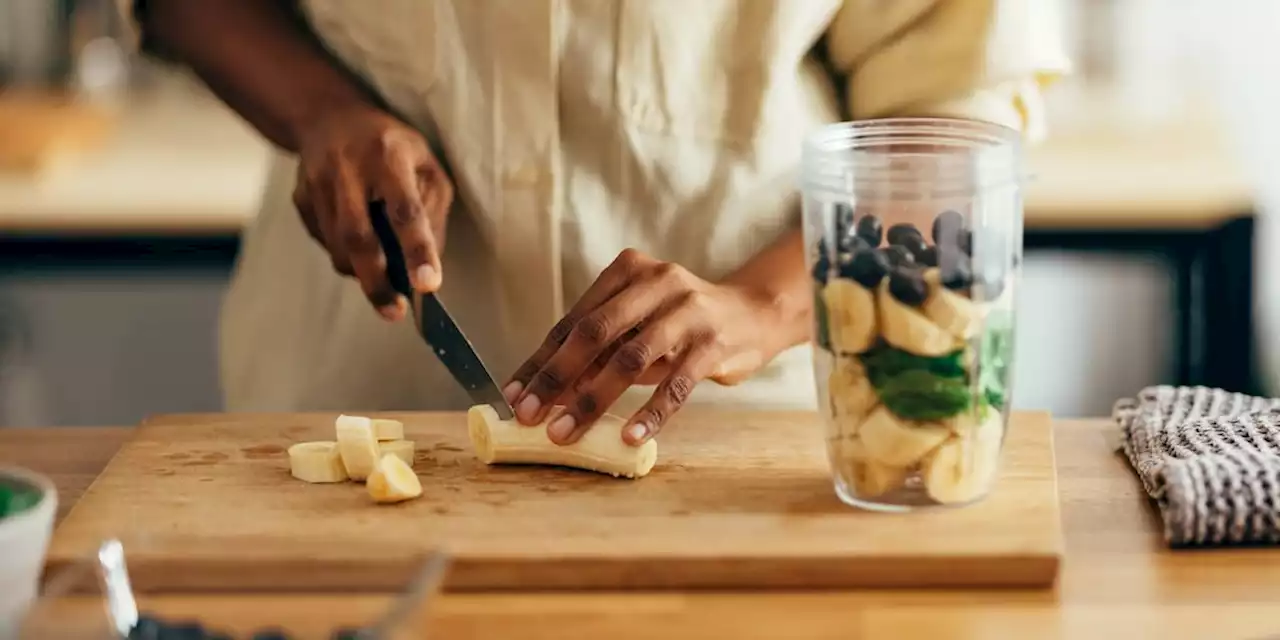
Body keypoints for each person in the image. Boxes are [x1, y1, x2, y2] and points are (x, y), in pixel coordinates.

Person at [121, 1, 1067, 446]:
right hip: (349, 404)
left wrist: (760, 304)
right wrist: (321, 109)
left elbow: (958, 115)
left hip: (737, 437)